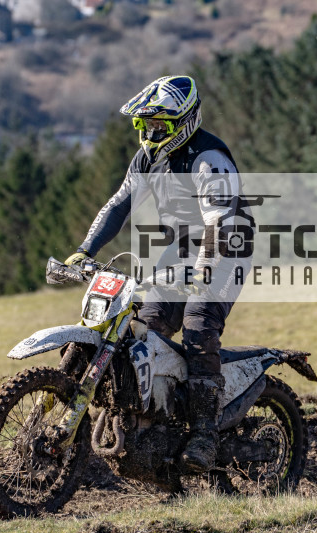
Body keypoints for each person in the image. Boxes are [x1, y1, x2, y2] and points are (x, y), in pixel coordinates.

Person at [65, 75, 244, 473]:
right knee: (145, 325)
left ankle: (203, 432)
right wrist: (84, 251)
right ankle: (153, 418)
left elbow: (220, 221)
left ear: (184, 120)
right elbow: (118, 205)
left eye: (158, 125)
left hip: (225, 248)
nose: (149, 132)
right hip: (180, 248)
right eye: (144, 125)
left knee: (198, 322)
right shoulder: (147, 157)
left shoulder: (208, 158)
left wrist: (203, 272)